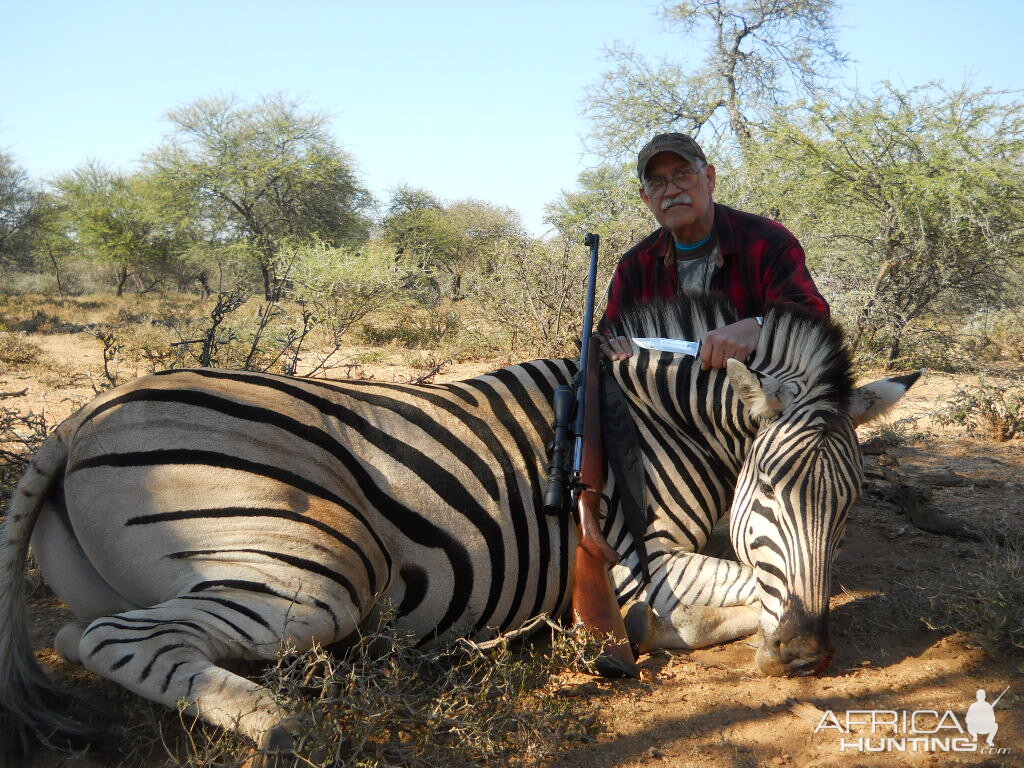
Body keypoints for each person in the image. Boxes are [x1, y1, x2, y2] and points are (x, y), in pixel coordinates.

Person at [599, 133, 828, 369]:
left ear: (709, 178)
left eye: (682, 175)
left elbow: (814, 316)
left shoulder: (768, 242)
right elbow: (607, 335)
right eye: (656, 183)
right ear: (646, 197)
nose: (671, 191)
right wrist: (611, 344)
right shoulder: (634, 265)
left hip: (753, 393)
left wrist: (759, 326)